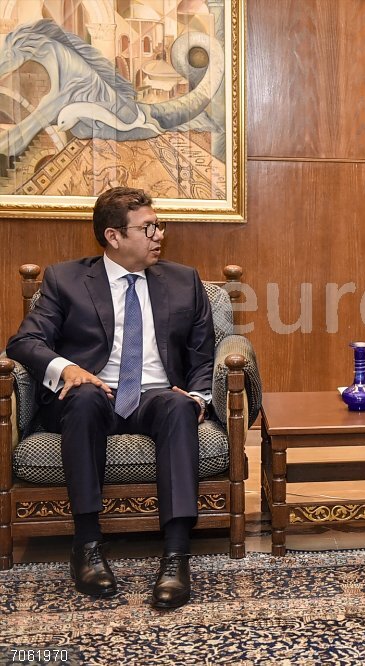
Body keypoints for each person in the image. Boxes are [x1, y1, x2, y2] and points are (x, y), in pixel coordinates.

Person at [6, 187, 214, 609]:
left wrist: (195, 395)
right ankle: (86, 545)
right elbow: (24, 341)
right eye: (149, 227)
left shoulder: (183, 280)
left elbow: (203, 353)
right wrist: (68, 369)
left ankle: (176, 555)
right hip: (95, 393)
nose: (159, 235)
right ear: (114, 236)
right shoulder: (65, 279)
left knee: (178, 406)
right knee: (82, 399)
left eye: (159, 226)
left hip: (156, 394)